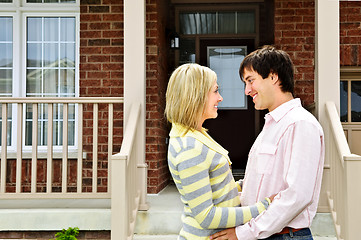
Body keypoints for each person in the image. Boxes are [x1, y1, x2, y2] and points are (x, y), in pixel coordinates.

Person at [210, 45, 325, 240]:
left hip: (284, 236)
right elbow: (259, 184)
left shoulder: (300, 124)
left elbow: (297, 195)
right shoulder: (272, 126)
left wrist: (243, 233)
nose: (247, 90)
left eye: (250, 80)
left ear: (273, 76)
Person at [165, 63, 274, 240]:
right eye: (215, 91)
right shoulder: (189, 148)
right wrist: (264, 207)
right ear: (196, 96)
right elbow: (206, 216)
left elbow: (217, 188)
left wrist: (246, 184)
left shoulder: (196, 135)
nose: (220, 98)